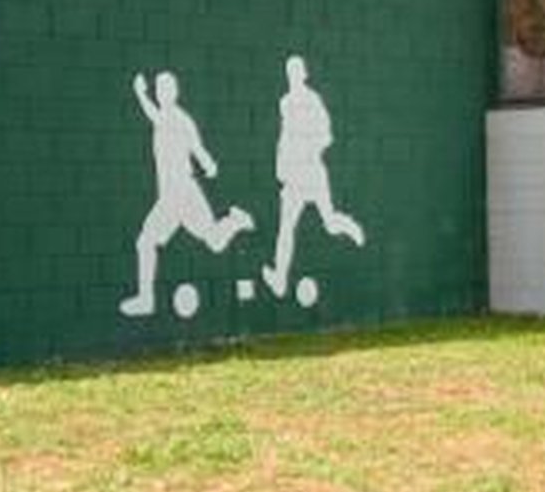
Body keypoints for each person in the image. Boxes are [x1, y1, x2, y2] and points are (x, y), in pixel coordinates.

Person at [121, 68, 250, 317]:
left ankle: (146, 299)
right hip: (180, 192)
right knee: (213, 241)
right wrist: (208, 165)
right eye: (159, 89)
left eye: (166, 88)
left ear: (174, 92)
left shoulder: (175, 119)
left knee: (146, 242)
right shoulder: (173, 118)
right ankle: (235, 221)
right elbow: (197, 149)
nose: (162, 93)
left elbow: (195, 147)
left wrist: (140, 94)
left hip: (179, 191)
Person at [262, 53, 366, 300]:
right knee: (286, 227)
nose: (293, 76)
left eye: (297, 71)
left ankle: (349, 226)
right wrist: (281, 165)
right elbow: (284, 137)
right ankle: (279, 279)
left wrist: (308, 150)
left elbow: (326, 136)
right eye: (290, 71)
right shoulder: (285, 102)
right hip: (293, 177)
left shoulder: (312, 100)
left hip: (313, 173)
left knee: (329, 223)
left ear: (304, 74)